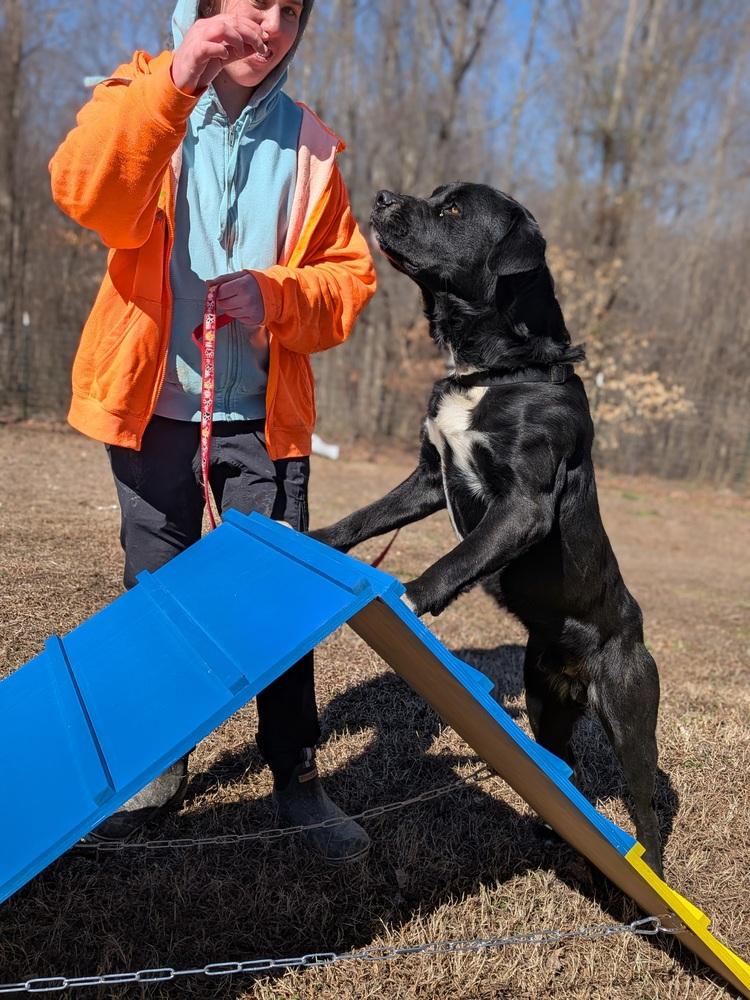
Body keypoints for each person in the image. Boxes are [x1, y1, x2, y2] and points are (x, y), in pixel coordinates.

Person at [48, 0, 376, 863]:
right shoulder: (139, 95)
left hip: (263, 423)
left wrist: (278, 297)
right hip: (153, 408)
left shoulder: (314, 147)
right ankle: (158, 767)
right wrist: (177, 77)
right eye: (251, 3)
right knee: (155, 596)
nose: (269, 25)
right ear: (200, 9)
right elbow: (86, 193)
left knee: (280, 603)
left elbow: (349, 283)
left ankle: (297, 775)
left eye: (290, 13)